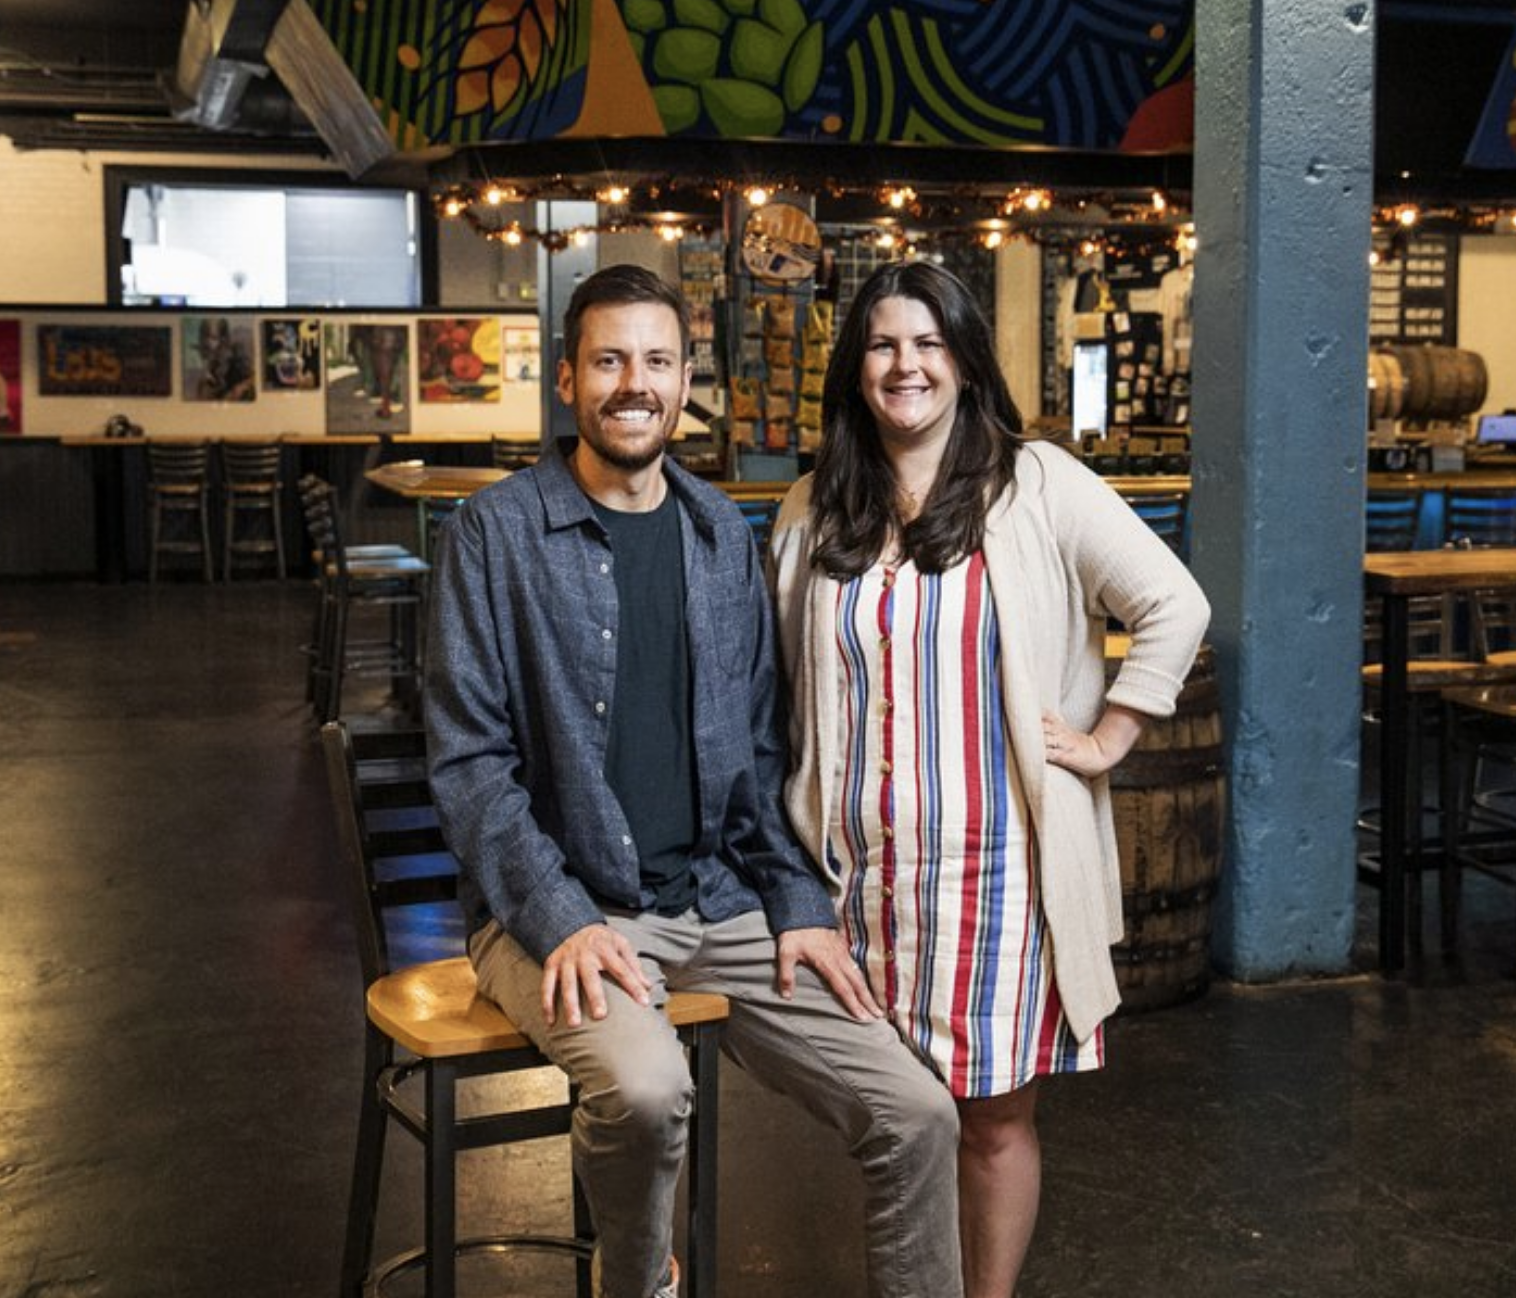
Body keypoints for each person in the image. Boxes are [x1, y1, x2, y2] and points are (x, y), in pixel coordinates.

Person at [423, 264, 964, 1298]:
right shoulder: (494, 534)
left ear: (684, 381)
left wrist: (798, 905)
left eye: (658, 361)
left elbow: (760, 755)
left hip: (718, 904)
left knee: (917, 1112)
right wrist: (560, 917)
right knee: (645, 1083)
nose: (636, 382)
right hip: (558, 913)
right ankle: (635, 1285)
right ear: (570, 379)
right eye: (610, 359)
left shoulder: (722, 535)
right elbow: (468, 762)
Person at [767, 260, 1210, 1297]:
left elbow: (1172, 602)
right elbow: (772, 679)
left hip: (1000, 876)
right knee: (891, 1114)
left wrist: (1107, 738)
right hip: (856, 877)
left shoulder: (1035, 481)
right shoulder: (812, 501)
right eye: (882, 343)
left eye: (928, 343)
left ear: (966, 361)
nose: (904, 363)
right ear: (855, 365)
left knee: (992, 1115)